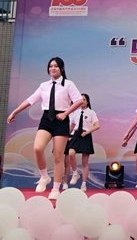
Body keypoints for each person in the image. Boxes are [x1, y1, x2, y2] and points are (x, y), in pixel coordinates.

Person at [6, 57, 83, 200]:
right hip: (47, 119)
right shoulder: (44, 86)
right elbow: (30, 100)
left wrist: (65, 113)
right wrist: (14, 112)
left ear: (61, 68)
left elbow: (78, 101)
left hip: (61, 120)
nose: (52, 68)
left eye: (56, 66)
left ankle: (55, 188)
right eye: (50, 66)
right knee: (38, 147)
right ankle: (44, 176)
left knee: (58, 157)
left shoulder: (68, 84)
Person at [65, 93, 100, 192]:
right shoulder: (75, 112)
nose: (82, 101)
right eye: (81, 100)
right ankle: (75, 173)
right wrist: (68, 135)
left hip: (86, 135)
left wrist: (87, 132)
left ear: (87, 102)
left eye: (84, 100)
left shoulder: (91, 112)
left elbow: (97, 126)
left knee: (85, 162)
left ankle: (84, 184)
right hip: (76, 134)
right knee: (71, 153)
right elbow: (72, 125)